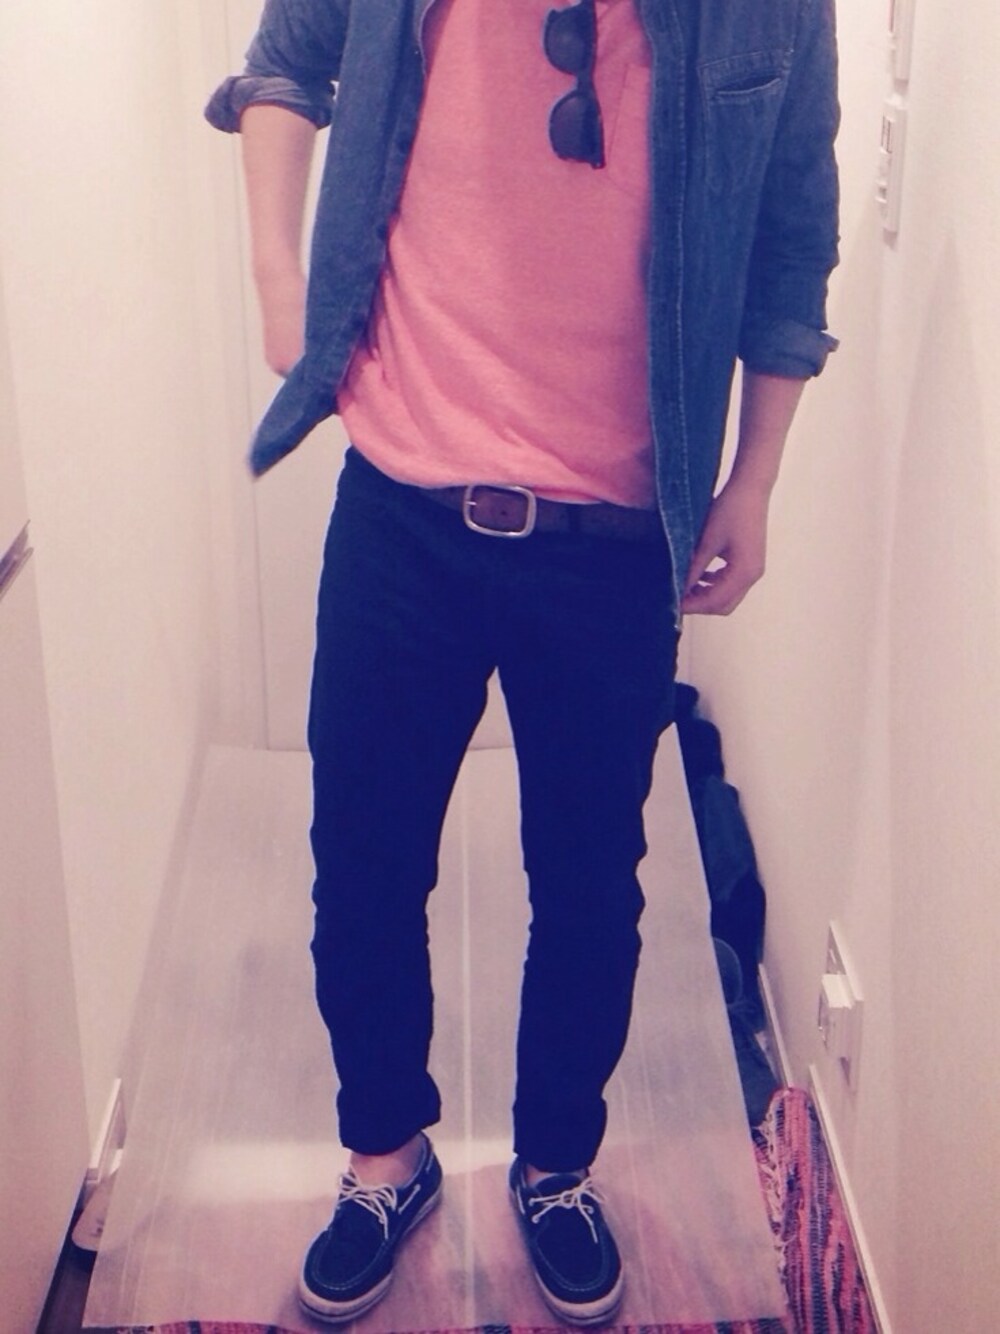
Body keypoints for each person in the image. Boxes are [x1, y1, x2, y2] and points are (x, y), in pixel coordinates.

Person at [206, 0, 838, 1324]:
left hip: (614, 539)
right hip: (403, 510)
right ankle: (385, 1158)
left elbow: (793, 238)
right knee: (364, 863)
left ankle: (556, 1165)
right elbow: (284, 65)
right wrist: (277, 283)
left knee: (593, 885)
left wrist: (757, 476)